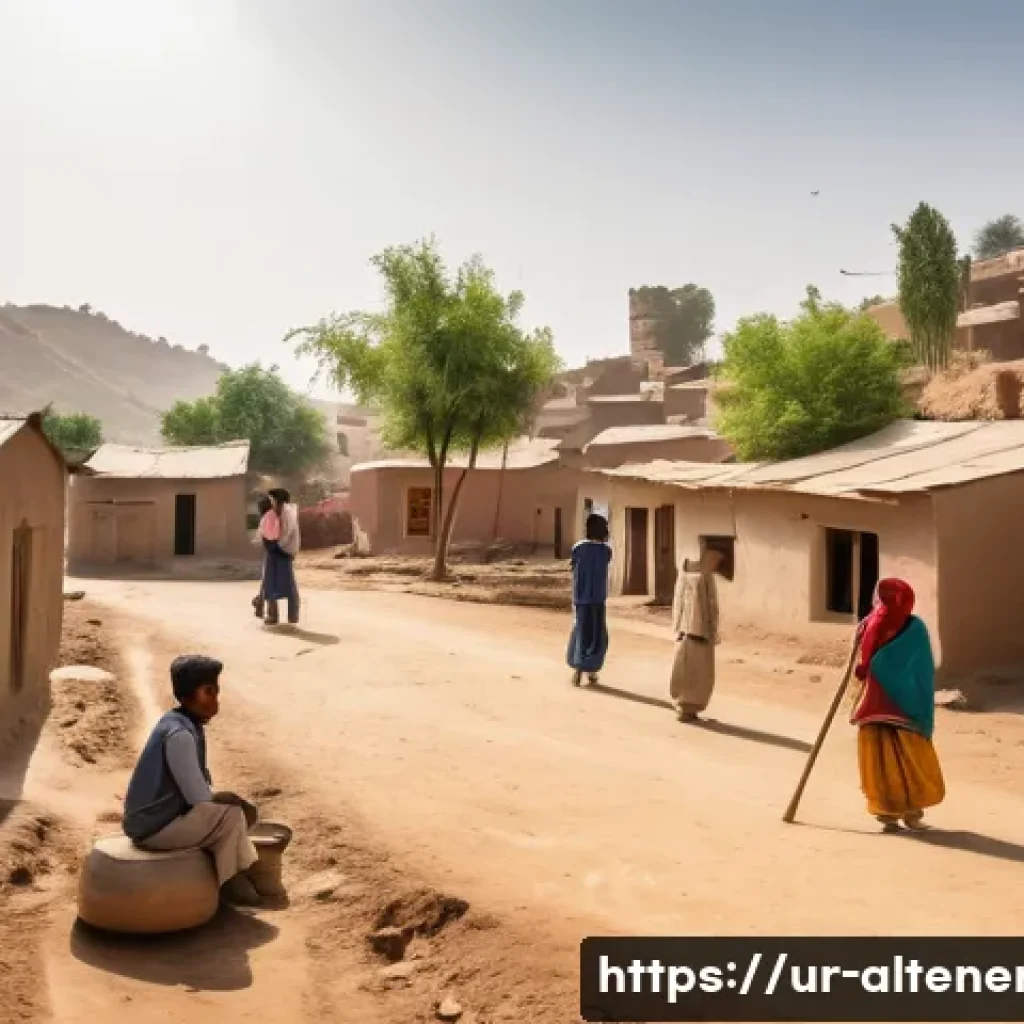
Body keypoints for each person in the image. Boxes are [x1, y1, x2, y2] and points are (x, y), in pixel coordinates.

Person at [122, 655, 263, 906]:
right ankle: (230, 882)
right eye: (207, 692)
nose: (214, 702)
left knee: (229, 814)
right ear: (187, 695)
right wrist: (235, 802)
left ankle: (237, 871)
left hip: (154, 821)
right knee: (231, 816)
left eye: (216, 693)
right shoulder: (180, 735)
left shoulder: (181, 723)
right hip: (153, 828)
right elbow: (198, 797)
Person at [850, 578, 945, 833]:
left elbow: (865, 664)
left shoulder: (870, 624)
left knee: (879, 761)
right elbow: (922, 669)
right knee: (909, 760)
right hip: (906, 708)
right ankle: (911, 814)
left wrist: (868, 668)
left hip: (875, 704)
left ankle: (889, 815)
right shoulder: (914, 628)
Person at [669, 547, 723, 722]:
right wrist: (713, 629)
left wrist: (676, 625)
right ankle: (689, 710)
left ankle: (682, 706)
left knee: (683, 668)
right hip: (701, 631)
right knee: (700, 672)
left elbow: (678, 598)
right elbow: (712, 604)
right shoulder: (706, 574)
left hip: (684, 630)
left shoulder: (683, 569)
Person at [567, 513, 612, 686]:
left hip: (581, 598)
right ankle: (592, 670)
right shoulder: (606, 550)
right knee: (597, 635)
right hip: (598, 599)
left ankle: (577, 670)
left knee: (581, 631)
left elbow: (573, 565)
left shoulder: (578, 548)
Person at [263, 488, 301, 626]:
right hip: (274, 550)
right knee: (268, 581)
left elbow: (287, 534)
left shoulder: (289, 513)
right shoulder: (272, 514)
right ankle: (272, 615)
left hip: (284, 552)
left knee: (288, 584)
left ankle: (293, 615)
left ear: (278, 500)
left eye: (272, 499)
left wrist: (276, 545)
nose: (270, 501)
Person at [251, 495, 276, 619]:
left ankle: (262, 605)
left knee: (267, 580)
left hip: (271, 553)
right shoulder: (275, 517)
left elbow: (259, 539)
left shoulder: (265, 518)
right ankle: (260, 604)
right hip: (276, 552)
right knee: (268, 580)